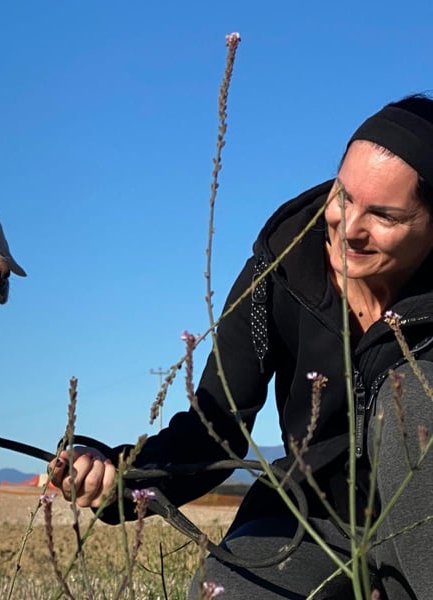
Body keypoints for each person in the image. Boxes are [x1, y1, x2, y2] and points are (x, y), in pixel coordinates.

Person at [49, 94, 433, 599]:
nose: (349, 228)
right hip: (305, 523)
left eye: (383, 215)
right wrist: (117, 474)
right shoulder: (280, 268)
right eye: (342, 196)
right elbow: (217, 425)